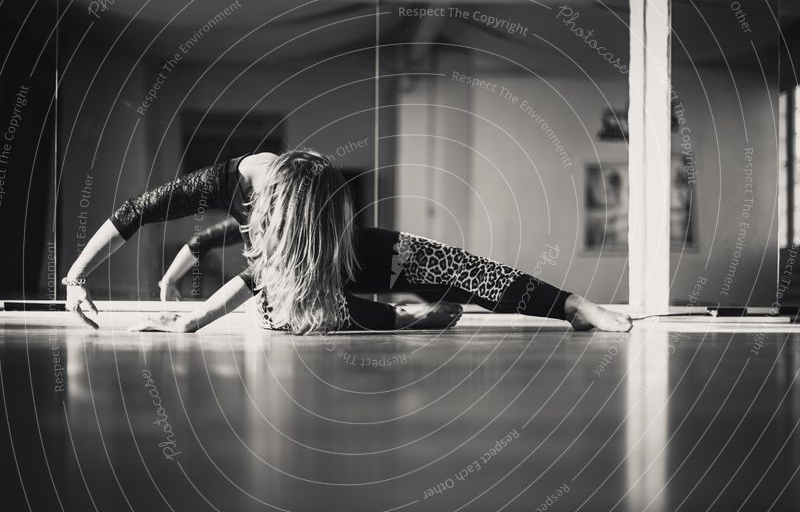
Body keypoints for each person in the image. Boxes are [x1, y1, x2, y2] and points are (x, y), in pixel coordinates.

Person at [62, 150, 633, 334]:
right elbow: (136, 212)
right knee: (290, 317)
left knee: (453, 268)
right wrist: (76, 276)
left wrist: (569, 304)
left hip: (337, 257)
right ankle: (416, 322)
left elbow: (467, 268)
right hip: (294, 282)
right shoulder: (228, 185)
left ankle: (573, 306)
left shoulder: (333, 221)